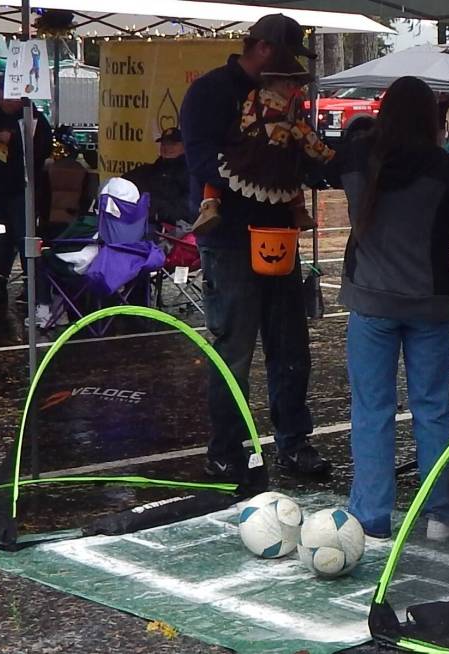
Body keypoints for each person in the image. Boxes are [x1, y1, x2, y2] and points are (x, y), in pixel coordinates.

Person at [327, 76, 449, 541]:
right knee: (431, 409)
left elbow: (314, 167)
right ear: (430, 119)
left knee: (371, 410)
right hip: (428, 304)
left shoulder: (356, 157)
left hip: (370, 302)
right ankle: (440, 512)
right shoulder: (442, 168)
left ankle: (371, 515)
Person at [181, 13, 330, 480]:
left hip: (279, 234)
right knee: (235, 349)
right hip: (228, 240)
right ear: (263, 48)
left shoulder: (287, 94)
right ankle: (226, 448)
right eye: (288, 58)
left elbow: (303, 156)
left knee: (290, 346)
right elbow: (201, 157)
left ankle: (294, 441)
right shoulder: (209, 91)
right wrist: (255, 170)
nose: (292, 74)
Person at [193, 54, 333, 236]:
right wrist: (325, 153)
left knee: (233, 168)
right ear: (272, 81)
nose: (292, 88)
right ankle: (209, 207)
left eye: (295, 84)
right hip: (262, 152)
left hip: (260, 151)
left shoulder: (259, 97)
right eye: (287, 84)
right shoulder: (285, 109)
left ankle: (298, 211)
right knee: (227, 169)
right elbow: (305, 135)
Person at [0, 75, 52, 303]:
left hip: (22, 189)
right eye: (1, 96)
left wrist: (14, 139)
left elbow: (43, 149)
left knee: (23, 237)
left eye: (9, 96)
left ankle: (32, 287)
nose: (5, 101)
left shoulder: (33, 117)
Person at [124, 127, 191, 226]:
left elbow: (189, 207)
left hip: (174, 230)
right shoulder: (150, 170)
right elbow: (121, 183)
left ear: (184, 146)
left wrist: (158, 211)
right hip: (142, 226)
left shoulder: (189, 173)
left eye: (173, 144)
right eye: (164, 144)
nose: (167, 148)